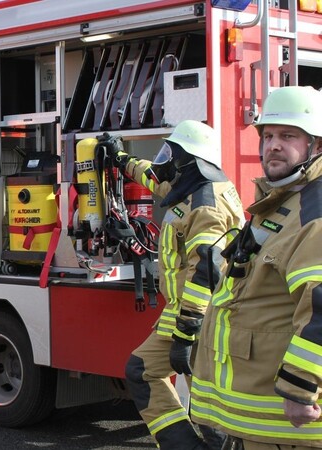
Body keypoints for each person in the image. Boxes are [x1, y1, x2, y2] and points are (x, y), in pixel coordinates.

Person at [191, 86, 322, 449]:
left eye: (288, 136)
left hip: (286, 426)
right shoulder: (282, 201)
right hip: (255, 415)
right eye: (268, 135)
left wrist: (300, 387)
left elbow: (321, 304)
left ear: (318, 145)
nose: (273, 145)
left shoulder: (315, 213)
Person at [103, 120, 245, 449]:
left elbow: (205, 269)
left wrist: (186, 331)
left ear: (189, 159)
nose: (167, 158)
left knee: (209, 407)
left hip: (204, 319)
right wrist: (121, 158)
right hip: (186, 314)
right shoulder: (193, 184)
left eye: (173, 152)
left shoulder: (205, 204)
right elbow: (155, 177)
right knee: (143, 370)